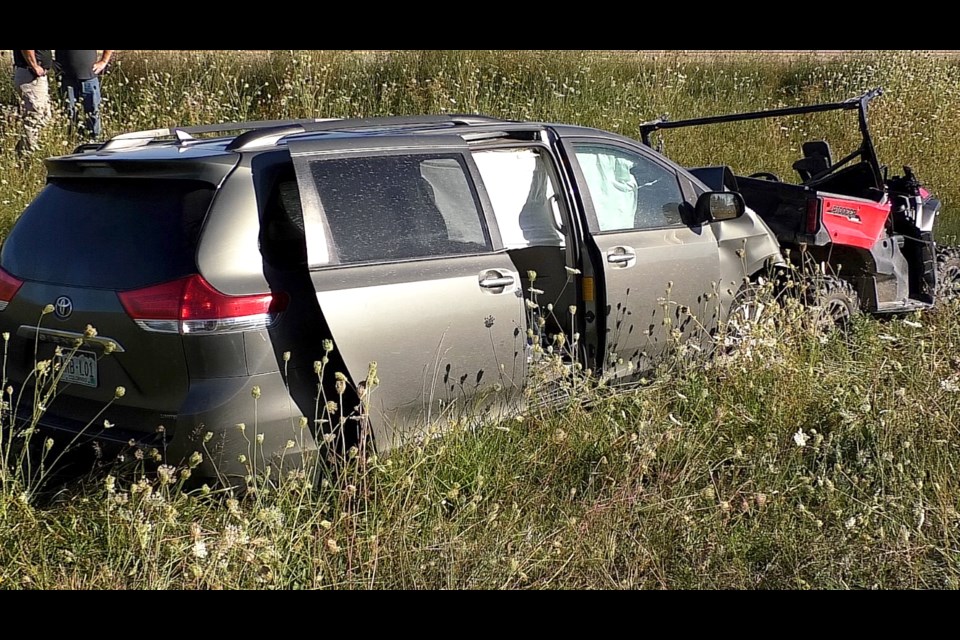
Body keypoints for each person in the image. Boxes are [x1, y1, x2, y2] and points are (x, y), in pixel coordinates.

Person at [54, 50, 114, 139]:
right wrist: (49, 63)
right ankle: (72, 140)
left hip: (89, 78)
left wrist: (104, 61)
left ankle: (94, 140)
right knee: (69, 112)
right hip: (66, 78)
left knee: (93, 112)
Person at [11, 50, 53, 156]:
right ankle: (26, 155)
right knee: (35, 117)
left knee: (44, 116)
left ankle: (25, 150)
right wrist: (34, 66)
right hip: (31, 75)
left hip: (34, 75)